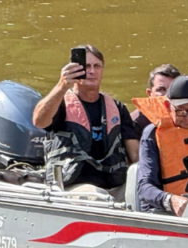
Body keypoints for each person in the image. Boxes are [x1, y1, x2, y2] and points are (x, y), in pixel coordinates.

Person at [32, 44, 139, 199]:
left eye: (97, 66)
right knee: (97, 197)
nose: (91, 71)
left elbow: (135, 155)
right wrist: (62, 85)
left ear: (102, 71)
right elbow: (38, 121)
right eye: (86, 66)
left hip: (113, 185)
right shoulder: (61, 104)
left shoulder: (117, 108)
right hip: (74, 185)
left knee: (143, 194)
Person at [136, 76, 188, 216]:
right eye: (181, 111)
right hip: (162, 210)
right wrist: (171, 200)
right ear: (168, 106)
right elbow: (144, 188)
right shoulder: (152, 134)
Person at [131, 63, 181, 136]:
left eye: (173, 89)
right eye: (161, 89)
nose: (168, 95)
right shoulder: (136, 122)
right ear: (149, 93)